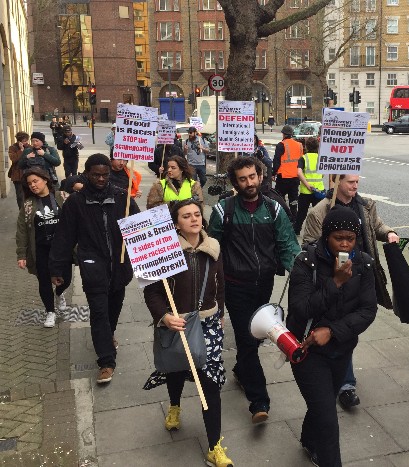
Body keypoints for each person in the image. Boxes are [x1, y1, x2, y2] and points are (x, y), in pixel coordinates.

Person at [208, 156, 300, 423]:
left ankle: (240, 368)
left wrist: (301, 270)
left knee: (254, 338)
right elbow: (213, 249)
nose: (249, 183)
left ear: (260, 177)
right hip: (235, 287)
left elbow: (287, 245)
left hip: (264, 285)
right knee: (248, 339)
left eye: (252, 177)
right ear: (235, 182)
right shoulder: (223, 211)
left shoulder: (274, 209)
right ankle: (259, 401)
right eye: (243, 179)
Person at [142, 199, 234, 467]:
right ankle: (174, 406)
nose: (194, 219)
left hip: (207, 326)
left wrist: (220, 314)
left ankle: (214, 445)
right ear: (176, 222)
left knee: (210, 385)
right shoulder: (164, 251)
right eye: (186, 216)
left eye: (197, 214)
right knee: (176, 370)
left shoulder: (213, 249)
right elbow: (152, 292)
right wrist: (164, 317)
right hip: (177, 324)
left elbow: (220, 286)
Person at [287, 206, 377, 467]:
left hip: (341, 350)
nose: (345, 244)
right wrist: (335, 283)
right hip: (307, 352)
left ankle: (307, 439)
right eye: (339, 238)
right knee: (328, 420)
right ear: (327, 236)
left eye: (351, 238)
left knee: (322, 404)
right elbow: (301, 309)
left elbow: (367, 310)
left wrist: (333, 331)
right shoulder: (306, 262)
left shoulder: (364, 263)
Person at [303, 174, 398, 409]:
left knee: (351, 326)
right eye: (350, 182)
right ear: (335, 182)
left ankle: (341, 376)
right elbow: (309, 243)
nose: (356, 186)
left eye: (357, 182)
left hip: (361, 275)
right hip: (333, 278)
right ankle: (346, 385)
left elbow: (376, 226)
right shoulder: (319, 211)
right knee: (340, 325)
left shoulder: (365, 205)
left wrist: (389, 233)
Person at [49, 153, 140, 384]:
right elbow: (64, 238)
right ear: (87, 174)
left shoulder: (122, 197)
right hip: (93, 267)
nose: (101, 179)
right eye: (96, 175)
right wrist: (57, 269)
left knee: (113, 310)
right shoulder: (75, 203)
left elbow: (141, 228)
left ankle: (108, 336)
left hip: (120, 268)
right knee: (99, 313)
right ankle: (107, 361)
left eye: (105, 174)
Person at [16, 167, 72, 328]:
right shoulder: (28, 205)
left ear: (45, 180)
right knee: (44, 281)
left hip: (61, 249)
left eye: (35, 181)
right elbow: (22, 231)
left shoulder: (62, 197)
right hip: (40, 249)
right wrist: (21, 255)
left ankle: (59, 293)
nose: (33, 185)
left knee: (65, 279)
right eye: (29, 183)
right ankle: (50, 312)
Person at [272, 124, 303, 223]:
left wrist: (273, 173)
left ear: (284, 134)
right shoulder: (299, 145)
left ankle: (282, 218)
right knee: (293, 200)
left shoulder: (281, 145)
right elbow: (300, 160)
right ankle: (293, 220)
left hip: (283, 177)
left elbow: (276, 161)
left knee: (279, 198)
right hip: (295, 177)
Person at [295, 136, 324, 235]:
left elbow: (299, 172)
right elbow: (323, 173)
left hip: (306, 191)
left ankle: (296, 231)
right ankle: (318, 232)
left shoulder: (303, 158)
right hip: (319, 191)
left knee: (301, 213)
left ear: (306, 146)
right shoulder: (320, 158)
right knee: (319, 214)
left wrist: (307, 185)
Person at [8, 131, 30, 209]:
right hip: (17, 175)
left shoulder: (29, 147)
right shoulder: (12, 148)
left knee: (29, 194)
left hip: (28, 174)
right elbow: (13, 159)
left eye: (27, 140)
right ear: (19, 141)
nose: (26, 142)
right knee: (20, 196)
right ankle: (22, 211)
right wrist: (21, 150)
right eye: (24, 141)